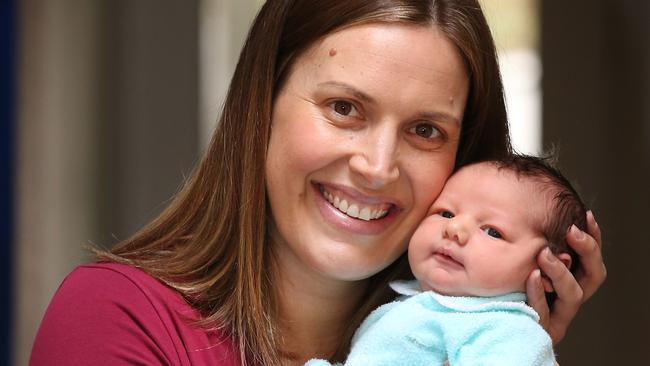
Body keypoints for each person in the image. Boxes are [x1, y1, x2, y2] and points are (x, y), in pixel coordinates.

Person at [29, 1, 606, 365]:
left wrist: (510, 335)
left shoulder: (475, 341)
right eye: (344, 108)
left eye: (425, 130)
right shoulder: (116, 317)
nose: (378, 167)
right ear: (262, 106)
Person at [305, 155, 586, 366]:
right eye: (446, 213)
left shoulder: (505, 329)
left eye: (492, 231)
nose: (454, 229)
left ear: (549, 270)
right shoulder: (413, 304)